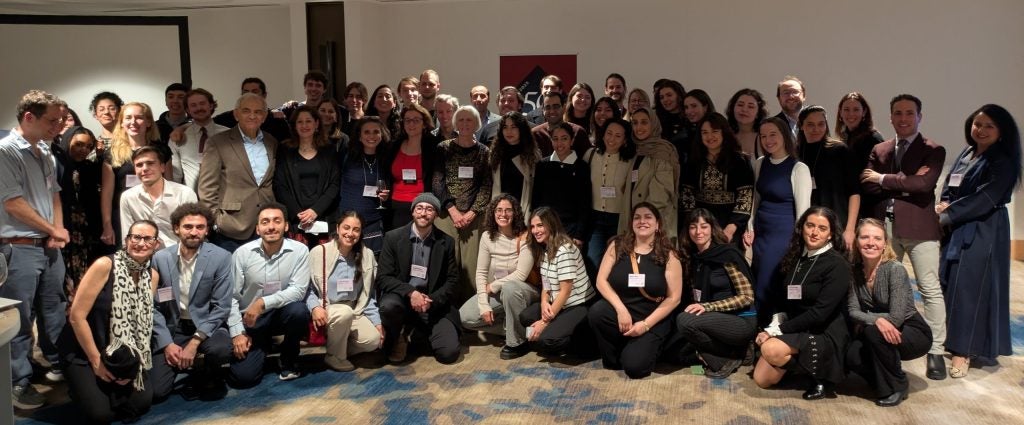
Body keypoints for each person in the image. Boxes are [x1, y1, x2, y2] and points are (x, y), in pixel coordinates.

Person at [860, 94, 947, 380]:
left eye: (910, 113)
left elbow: (924, 184)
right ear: (890, 117)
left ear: (919, 116)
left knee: (929, 288)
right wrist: (905, 184)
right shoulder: (880, 148)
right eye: (898, 113)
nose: (903, 118)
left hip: (921, 228)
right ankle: (889, 342)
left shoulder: (933, 150)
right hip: (885, 229)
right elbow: (867, 187)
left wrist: (884, 179)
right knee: (882, 287)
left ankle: (935, 349)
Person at [937, 104, 1021, 377]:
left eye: (989, 126)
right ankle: (948, 339)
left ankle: (963, 351)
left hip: (984, 228)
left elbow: (985, 198)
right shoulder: (968, 152)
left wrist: (948, 214)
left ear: (1001, 131)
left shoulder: (1003, 161)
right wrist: (943, 204)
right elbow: (951, 184)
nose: (981, 130)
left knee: (971, 288)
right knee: (950, 282)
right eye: (977, 124)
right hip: (956, 225)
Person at [0, 90, 69, 409]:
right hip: (20, 246)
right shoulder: (5, 152)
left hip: (49, 246)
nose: (59, 126)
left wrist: (57, 231)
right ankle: (18, 381)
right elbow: (13, 204)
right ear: (29, 117)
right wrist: (52, 229)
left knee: (54, 309)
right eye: (52, 120)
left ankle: (57, 365)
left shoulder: (44, 151)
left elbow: (54, 194)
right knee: (20, 317)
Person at [61, 220, 160, 423]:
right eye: (136, 237)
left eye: (147, 239)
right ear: (127, 240)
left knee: (141, 403)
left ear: (156, 244)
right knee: (101, 414)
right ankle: (78, 385)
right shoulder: (105, 265)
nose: (141, 243)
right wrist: (96, 361)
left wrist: (130, 365)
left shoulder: (153, 276)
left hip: (121, 352)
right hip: (85, 349)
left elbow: (140, 325)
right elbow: (76, 316)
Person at [753, 207, 850, 400]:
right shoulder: (796, 257)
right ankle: (802, 367)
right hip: (798, 327)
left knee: (770, 349)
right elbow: (782, 298)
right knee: (761, 379)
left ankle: (822, 377)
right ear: (801, 227)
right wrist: (775, 322)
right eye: (810, 225)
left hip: (824, 331)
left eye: (822, 228)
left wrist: (777, 331)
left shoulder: (837, 265)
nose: (814, 232)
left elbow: (820, 314)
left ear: (831, 234)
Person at [149, 203, 234, 401]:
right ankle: (185, 365)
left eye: (200, 227)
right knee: (158, 392)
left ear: (207, 230)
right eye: (188, 227)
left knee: (221, 349)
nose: (194, 232)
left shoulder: (221, 257)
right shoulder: (160, 258)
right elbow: (152, 306)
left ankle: (206, 371)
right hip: (173, 328)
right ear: (176, 228)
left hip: (205, 326)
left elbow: (222, 307)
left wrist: (194, 342)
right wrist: (167, 343)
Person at [589, 203, 682, 378]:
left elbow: (674, 298)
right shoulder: (617, 246)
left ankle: (644, 347)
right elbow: (601, 281)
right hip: (622, 313)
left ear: (658, 224)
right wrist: (620, 309)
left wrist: (645, 325)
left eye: (648, 217)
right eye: (637, 217)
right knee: (597, 311)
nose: (642, 221)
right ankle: (618, 355)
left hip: (652, 316)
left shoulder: (669, 254)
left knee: (635, 368)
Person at [846, 218, 931, 407]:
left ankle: (898, 385)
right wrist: (877, 320)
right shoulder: (853, 271)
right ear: (857, 241)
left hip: (912, 330)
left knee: (871, 332)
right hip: (880, 329)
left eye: (877, 238)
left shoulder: (895, 269)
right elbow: (852, 311)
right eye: (865, 237)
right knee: (851, 354)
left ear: (885, 243)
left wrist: (872, 321)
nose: (871, 243)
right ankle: (880, 378)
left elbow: (896, 317)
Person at [227, 203, 311, 385]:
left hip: (282, 314)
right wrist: (237, 333)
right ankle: (261, 347)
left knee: (299, 311)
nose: (271, 226)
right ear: (257, 229)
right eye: (265, 222)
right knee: (243, 379)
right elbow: (231, 297)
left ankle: (289, 356)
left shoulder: (300, 251)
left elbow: (298, 290)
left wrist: (263, 302)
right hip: (251, 320)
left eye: (277, 221)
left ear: (286, 226)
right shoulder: (242, 254)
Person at [376, 193, 462, 364]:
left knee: (449, 354)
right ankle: (398, 336)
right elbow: (383, 277)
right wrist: (411, 292)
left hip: (432, 303)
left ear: (436, 214)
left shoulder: (447, 242)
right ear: (413, 212)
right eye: (420, 208)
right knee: (388, 306)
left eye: (429, 209)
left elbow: (452, 280)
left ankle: (417, 333)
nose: (424, 213)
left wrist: (432, 300)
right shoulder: (393, 238)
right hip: (402, 300)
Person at [673, 208, 755, 378]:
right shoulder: (693, 257)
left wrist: (708, 307)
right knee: (677, 353)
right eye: (693, 227)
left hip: (740, 319)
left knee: (685, 321)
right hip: (714, 320)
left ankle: (729, 357)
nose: (698, 232)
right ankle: (732, 352)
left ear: (712, 228)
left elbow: (747, 297)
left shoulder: (727, 254)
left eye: (704, 226)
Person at [458, 195, 539, 359]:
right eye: (499, 210)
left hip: (524, 290)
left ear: (515, 213)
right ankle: (518, 329)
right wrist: (483, 304)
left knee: (510, 287)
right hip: (500, 291)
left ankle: (516, 342)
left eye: (508, 210)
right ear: (493, 213)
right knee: (464, 317)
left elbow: (521, 275)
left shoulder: (525, 237)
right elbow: (480, 273)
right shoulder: (487, 237)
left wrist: (494, 286)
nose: (503, 214)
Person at [198, 92, 279, 253]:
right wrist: (215, 221)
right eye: (246, 111)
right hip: (231, 226)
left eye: (258, 112)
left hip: (266, 225)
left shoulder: (271, 142)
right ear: (236, 114)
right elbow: (207, 188)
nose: (252, 116)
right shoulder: (218, 142)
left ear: (264, 117)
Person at [745, 117, 812, 313]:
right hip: (760, 234)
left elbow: (803, 213)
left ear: (784, 135)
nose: (768, 140)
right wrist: (750, 227)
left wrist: (800, 243)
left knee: (768, 282)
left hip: (783, 236)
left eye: (773, 134)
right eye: (763, 136)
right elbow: (755, 201)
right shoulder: (760, 163)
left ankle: (768, 327)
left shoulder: (799, 168)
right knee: (756, 277)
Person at [307, 211, 384, 371]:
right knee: (343, 313)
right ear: (337, 228)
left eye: (356, 229)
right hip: (327, 311)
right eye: (346, 228)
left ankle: (336, 349)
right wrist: (315, 307)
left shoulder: (367, 255)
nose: (350, 233)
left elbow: (368, 295)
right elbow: (307, 289)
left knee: (373, 340)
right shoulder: (319, 252)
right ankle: (334, 357)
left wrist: (377, 322)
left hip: (354, 310)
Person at [520, 207, 596, 355]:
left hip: (578, 304)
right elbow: (546, 285)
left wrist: (544, 322)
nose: (535, 230)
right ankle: (556, 327)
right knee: (526, 317)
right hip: (559, 304)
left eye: (540, 225)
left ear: (551, 225)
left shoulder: (565, 250)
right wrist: (544, 302)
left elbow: (566, 292)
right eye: (533, 226)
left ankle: (583, 342)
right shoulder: (545, 249)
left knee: (546, 341)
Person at [432, 106, 492, 294]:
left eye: (469, 120)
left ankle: (469, 311)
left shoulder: (484, 152)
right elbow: (437, 182)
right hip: (446, 216)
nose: (465, 124)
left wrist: (472, 213)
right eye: (461, 120)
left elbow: (486, 185)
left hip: (474, 219)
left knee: (471, 265)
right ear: (455, 123)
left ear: (477, 124)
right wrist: (453, 210)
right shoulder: (444, 148)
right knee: (445, 262)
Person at [680, 112, 754, 245]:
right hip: (700, 227)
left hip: (729, 225)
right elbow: (687, 194)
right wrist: (695, 224)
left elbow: (745, 196)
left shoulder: (739, 161)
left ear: (724, 133)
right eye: (704, 132)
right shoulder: (694, 161)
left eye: (714, 131)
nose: (709, 136)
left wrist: (730, 230)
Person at [274, 105, 341, 249]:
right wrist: (299, 214)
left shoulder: (329, 149)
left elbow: (335, 184)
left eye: (308, 121)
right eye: (300, 122)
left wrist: (315, 210)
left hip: (323, 217)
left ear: (316, 124)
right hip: (296, 220)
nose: (304, 125)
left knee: (323, 266)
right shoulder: (285, 149)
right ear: (294, 126)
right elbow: (279, 185)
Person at [106, 102, 174, 243]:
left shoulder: (162, 150)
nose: (133, 122)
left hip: (158, 211)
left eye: (139, 117)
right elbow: (107, 194)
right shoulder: (112, 153)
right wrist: (107, 224)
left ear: (148, 122)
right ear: (122, 123)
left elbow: (170, 184)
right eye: (128, 118)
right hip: (124, 213)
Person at [57, 127, 116, 287]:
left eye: (88, 146)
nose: (84, 150)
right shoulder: (57, 166)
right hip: (62, 228)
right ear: (68, 141)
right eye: (79, 144)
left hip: (87, 232)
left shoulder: (91, 167)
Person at [796, 105, 860, 248]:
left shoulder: (840, 150)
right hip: (807, 225)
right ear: (801, 126)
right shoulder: (796, 153)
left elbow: (854, 192)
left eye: (821, 124)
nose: (816, 129)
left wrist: (850, 229)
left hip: (838, 223)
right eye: (810, 125)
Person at [583, 117, 637, 270]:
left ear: (625, 139)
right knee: (594, 261)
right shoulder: (591, 155)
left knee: (617, 262)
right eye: (609, 133)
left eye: (618, 136)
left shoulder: (631, 160)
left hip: (619, 218)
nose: (612, 139)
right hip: (595, 218)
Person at [119, 146, 198, 248]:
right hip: (143, 254)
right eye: (139, 165)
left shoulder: (184, 193)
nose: (145, 168)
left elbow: (192, 234)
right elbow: (127, 238)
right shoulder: (128, 197)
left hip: (179, 253)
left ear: (162, 167)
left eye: (150, 163)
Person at [532, 122, 592, 245]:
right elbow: (536, 199)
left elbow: (585, 202)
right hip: (546, 227)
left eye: (564, 138)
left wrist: (579, 234)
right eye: (555, 139)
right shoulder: (542, 165)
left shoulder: (582, 167)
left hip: (571, 230)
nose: (559, 143)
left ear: (571, 140)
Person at [338, 116, 391, 254]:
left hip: (373, 221)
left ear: (382, 134)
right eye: (366, 132)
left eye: (376, 132)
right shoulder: (347, 156)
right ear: (359, 136)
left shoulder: (386, 158)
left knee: (371, 268)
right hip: (348, 221)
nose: (371, 136)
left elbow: (389, 188)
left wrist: (385, 197)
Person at [628, 106, 680, 235]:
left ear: (654, 123)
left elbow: (660, 197)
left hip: (654, 224)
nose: (639, 127)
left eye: (644, 122)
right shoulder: (638, 150)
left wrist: (643, 222)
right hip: (637, 222)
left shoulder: (662, 151)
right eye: (635, 123)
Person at [388, 104, 441, 228]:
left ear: (424, 123)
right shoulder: (395, 145)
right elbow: (387, 174)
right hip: (396, 205)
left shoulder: (433, 146)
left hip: (422, 205)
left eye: (416, 120)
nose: (411, 124)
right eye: (407, 120)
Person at [169, 88, 229, 191]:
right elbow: (176, 176)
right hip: (191, 200)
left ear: (211, 106)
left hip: (223, 197)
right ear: (187, 110)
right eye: (193, 105)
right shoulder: (178, 138)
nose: (198, 108)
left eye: (202, 103)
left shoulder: (228, 135)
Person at [489, 112, 540, 216]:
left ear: (521, 129)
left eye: (513, 127)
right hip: (500, 210)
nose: (509, 131)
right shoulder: (495, 153)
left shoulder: (533, 155)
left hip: (523, 211)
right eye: (505, 127)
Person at [212, 77, 291, 142]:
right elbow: (209, 125)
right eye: (246, 92)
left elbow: (287, 147)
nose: (250, 95)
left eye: (254, 92)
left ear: (264, 95)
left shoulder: (277, 120)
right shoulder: (227, 118)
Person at [835, 92, 885, 175]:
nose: (851, 114)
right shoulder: (843, 138)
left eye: (856, 110)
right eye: (846, 109)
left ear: (864, 112)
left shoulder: (873, 139)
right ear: (840, 112)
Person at [531, 92, 591, 158]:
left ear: (564, 108)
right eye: (547, 107)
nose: (552, 111)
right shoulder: (534, 134)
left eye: (556, 107)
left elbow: (587, 161)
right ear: (543, 110)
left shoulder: (578, 132)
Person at [727, 88, 769, 159]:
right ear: (732, 108)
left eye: (750, 107)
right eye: (740, 105)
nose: (744, 109)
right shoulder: (725, 136)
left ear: (758, 113)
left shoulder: (765, 137)